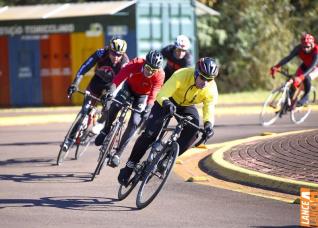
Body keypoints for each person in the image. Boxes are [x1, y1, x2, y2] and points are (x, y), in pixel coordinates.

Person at [117, 57, 219, 185]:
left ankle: (166, 160)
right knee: (150, 134)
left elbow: (209, 108)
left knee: (193, 132)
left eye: (209, 79)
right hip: (167, 101)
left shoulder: (211, 88)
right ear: (196, 72)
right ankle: (130, 166)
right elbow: (162, 94)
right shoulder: (182, 74)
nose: (205, 82)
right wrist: (167, 103)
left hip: (187, 105)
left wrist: (209, 125)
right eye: (203, 78)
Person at [94, 50, 165, 167]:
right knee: (115, 105)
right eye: (148, 68)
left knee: (135, 122)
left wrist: (149, 107)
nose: (150, 72)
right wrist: (111, 92)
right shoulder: (135, 63)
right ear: (144, 63)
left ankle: (118, 154)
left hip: (142, 96)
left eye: (153, 70)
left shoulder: (160, 75)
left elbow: (154, 92)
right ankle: (105, 130)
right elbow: (119, 78)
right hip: (129, 88)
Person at [62, 37, 129, 151]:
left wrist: (110, 95)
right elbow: (84, 67)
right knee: (84, 110)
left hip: (111, 87)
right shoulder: (101, 53)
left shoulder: (124, 62)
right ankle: (69, 140)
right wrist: (75, 83)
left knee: (108, 107)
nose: (116, 57)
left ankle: (100, 122)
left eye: (119, 54)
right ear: (109, 50)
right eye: (113, 53)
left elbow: (121, 83)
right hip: (96, 83)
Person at [270, 33, 318, 107]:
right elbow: (288, 58)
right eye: (304, 46)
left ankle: (305, 97)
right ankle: (287, 105)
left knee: (306, 77)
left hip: (315, 67)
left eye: (308, 46)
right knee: (293, 82)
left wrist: (301, 77)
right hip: (306, 65)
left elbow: (312, 66)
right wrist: (277, 66)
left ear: (312, 44)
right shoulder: (298, 48)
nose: (305, 49)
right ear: (301, 44)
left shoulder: (316, 50)